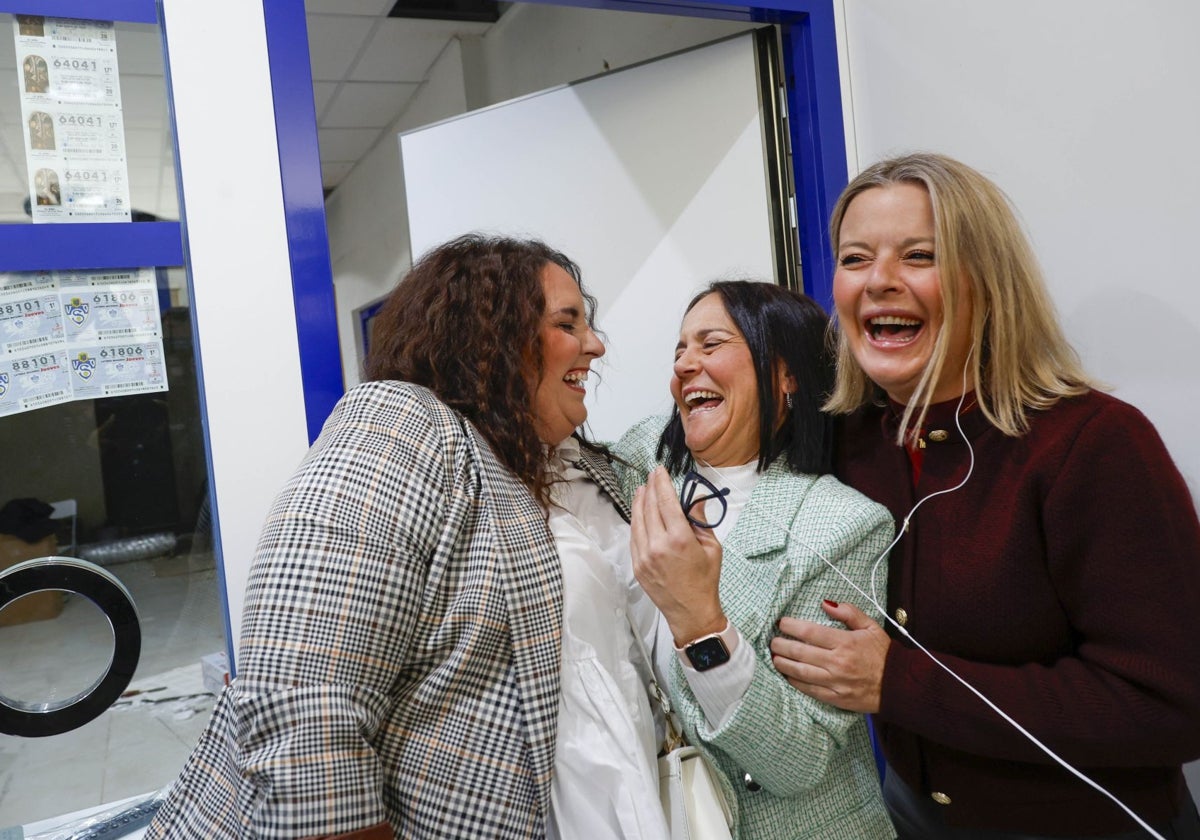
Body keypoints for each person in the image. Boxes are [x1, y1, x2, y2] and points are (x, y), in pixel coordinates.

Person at [147, 234, 669, 839]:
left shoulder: (579, 468)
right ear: (491, 338)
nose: (595, 344)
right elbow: (302, 698)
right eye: (567, 323)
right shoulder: (406, 427)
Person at [769, 152, 1200, 839]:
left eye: (919, 256)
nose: (879, 281)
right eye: (855, 259)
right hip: (910, 815)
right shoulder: (846, 442)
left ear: (989, 282)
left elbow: (1172, 703)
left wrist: (900, 684)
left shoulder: (1095, 445)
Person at [614, 280, 896, 840]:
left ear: (786, 374)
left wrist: (701, 623)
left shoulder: (841, 526)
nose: (685, 365)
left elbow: (800, 758)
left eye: (710, 344)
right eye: (679, 350)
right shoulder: (639, 460)